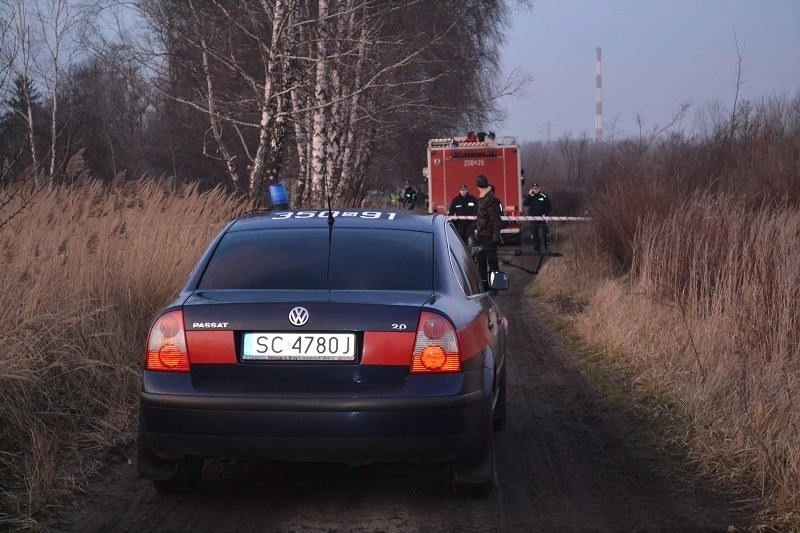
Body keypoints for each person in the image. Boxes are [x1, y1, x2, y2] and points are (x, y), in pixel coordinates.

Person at [474, 174, 503, 287]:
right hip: (482, 234)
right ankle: (485, 285)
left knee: (492, 261)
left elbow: (496, 219)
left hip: (488, 235)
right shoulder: (483, 197)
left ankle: (495, 285)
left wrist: (495, 236)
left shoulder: (490, 199)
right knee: (481, 261)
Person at [522, 182, 552, 252]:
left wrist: (545, 214)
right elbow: (525, 203)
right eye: (534, 188)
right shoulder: (530, 196)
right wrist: (529, 195)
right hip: (533, 219)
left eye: (536, 188)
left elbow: (549, 207)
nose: (535, 190)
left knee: (545, 233)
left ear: (539, 188)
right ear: (532, 189)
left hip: (543, 218)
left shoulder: (543, 196)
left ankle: (546, 247)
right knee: (534, 234)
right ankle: (537, 249)